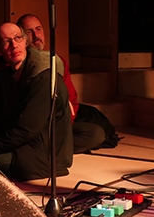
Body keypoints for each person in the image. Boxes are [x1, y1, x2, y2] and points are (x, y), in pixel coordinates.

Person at [0, 23, 73, 181]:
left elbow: (26, 129)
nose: (14, 45)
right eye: (6, 41)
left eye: (18, 38)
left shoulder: (43, 75)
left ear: (25, 41)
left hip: (41, 156)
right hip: (23, 145)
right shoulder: (7, 76)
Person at [17, 14, 111, 153]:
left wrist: (63, 124)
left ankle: (45, 150)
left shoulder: (57, 61)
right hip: (32, 128)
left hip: (56, 126)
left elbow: (71, 100)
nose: (36, 35)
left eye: (38, 29)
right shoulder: (18, 64)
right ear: (22, 38)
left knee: (95, 134)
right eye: (29, 32)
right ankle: (45, 150)